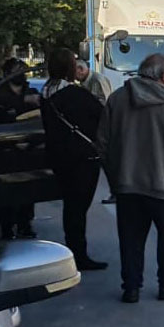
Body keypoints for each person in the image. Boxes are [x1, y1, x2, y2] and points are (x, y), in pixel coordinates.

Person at [97, 53, 164, 303]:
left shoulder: (117, 99)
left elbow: (103, 143)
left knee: (130, 239)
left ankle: (131, 287)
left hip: (128, 185)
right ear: (163, 76)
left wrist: (115, 176)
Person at [41, 48, 108, 271]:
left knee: (71, 206)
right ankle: (78, 254)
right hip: (82, 158)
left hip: (58, 157)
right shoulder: (76, 94)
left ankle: (74, 249)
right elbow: (101, 115)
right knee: (78, 208)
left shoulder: (46, 92)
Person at [0, 57, 41, 239]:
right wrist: (24, 101)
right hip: (3, 147)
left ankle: (25, 224)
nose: (21, 75)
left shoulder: (31, 90)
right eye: (17, 71)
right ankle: (7, 225)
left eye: (23, 71)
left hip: (27, 146)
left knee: (28, 188)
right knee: (4, 190)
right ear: (7, 74)